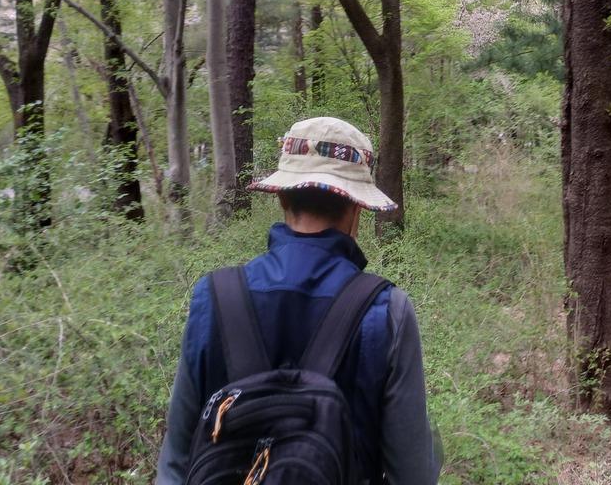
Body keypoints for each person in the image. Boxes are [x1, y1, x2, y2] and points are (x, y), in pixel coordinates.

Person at [156, 116, 440, 484]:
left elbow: (176, 459)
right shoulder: (387, 310)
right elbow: (413, 473)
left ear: (282, 196)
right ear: (356, 208)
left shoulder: (213, 295)